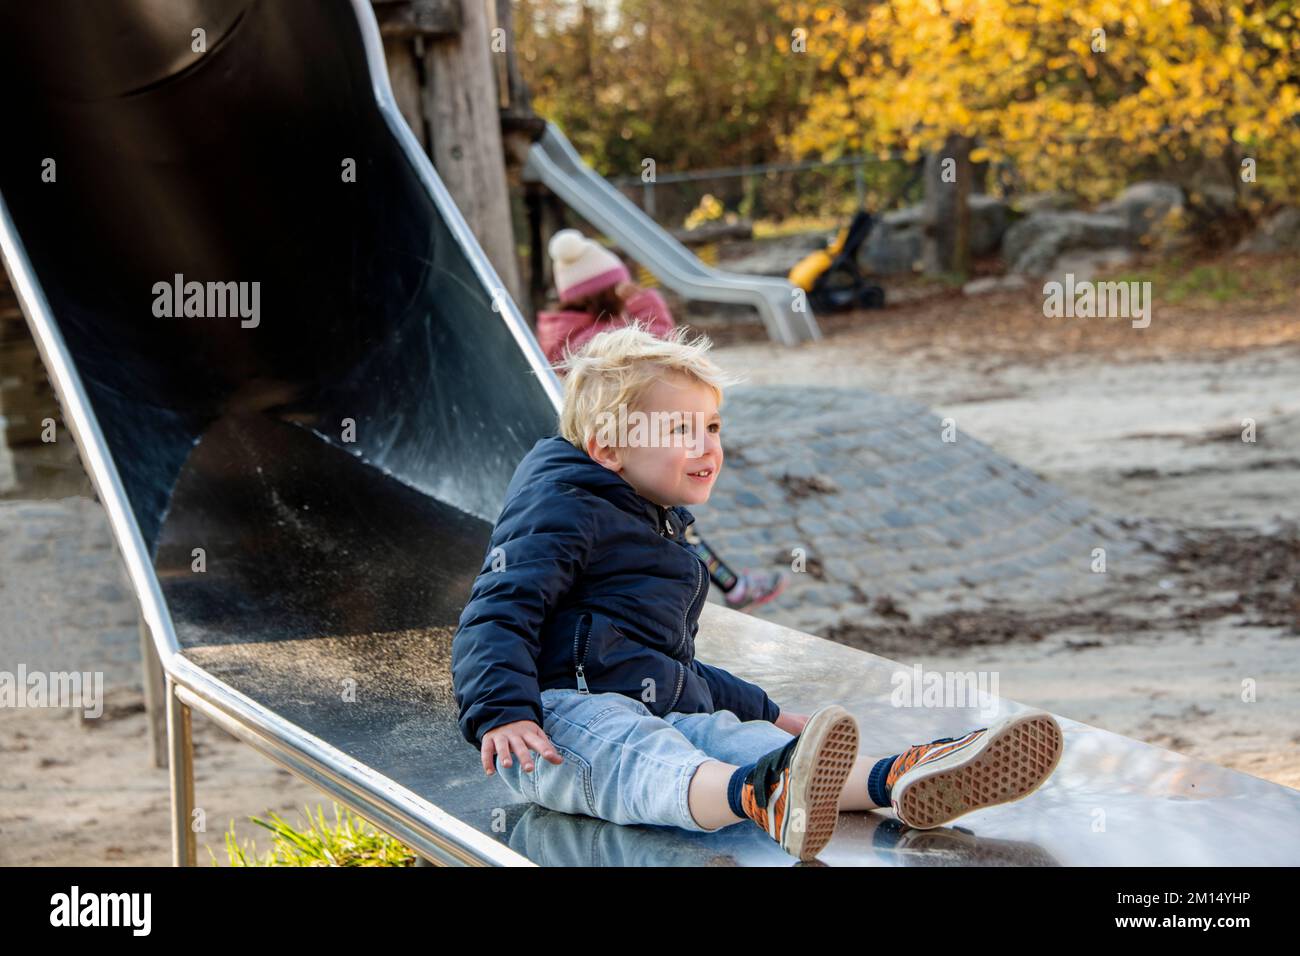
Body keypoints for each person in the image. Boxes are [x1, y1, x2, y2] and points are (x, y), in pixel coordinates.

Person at [451, 324, 1065, 861]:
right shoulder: (562, 507)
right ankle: (762, 791)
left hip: (646, 708)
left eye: (711, 426)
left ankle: (895, 778)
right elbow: (496, 611)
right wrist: (502, 712)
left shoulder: (647, 524)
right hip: (554, 726)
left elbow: (671, 667)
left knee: (749, 742)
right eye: (680, 430)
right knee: (642, 755)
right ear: (609, 448)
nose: (706, 447)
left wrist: (765, 711)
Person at [535, 227, 786, 613]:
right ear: (609, 291)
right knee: (671, 530)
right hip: (624, 458)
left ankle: (729, 586)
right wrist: (644, 300)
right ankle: (718, 591)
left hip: (611, 457)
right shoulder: (605, 340)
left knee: (675, 527)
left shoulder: (563, 331)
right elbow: (667, 351)